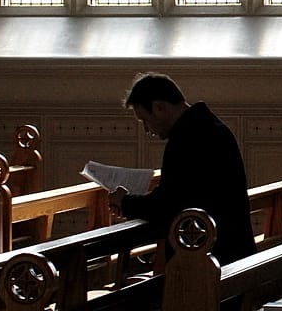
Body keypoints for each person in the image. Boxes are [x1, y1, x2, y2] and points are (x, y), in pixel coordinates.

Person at [109, 73, 256, 265]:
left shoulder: (187, 138)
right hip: (231, 248)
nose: (146, 129)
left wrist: (125, 202)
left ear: (159, 107)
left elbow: (167, 204)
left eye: (145, 120)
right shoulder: (208, 126)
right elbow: (184, 193)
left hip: (212, 257)